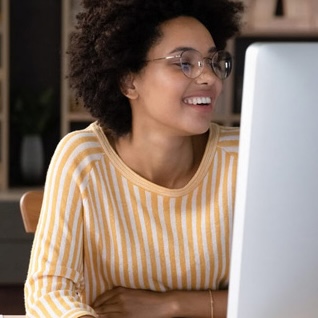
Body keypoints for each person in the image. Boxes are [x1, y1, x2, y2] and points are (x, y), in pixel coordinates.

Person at [24, 0, 244, 317]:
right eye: (185, 62)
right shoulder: (83, 159)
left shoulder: (243, 156)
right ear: (129, 81)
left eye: (213, 62)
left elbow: (290, 290)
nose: (209, 78)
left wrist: (173, 305)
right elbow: (48, 292)